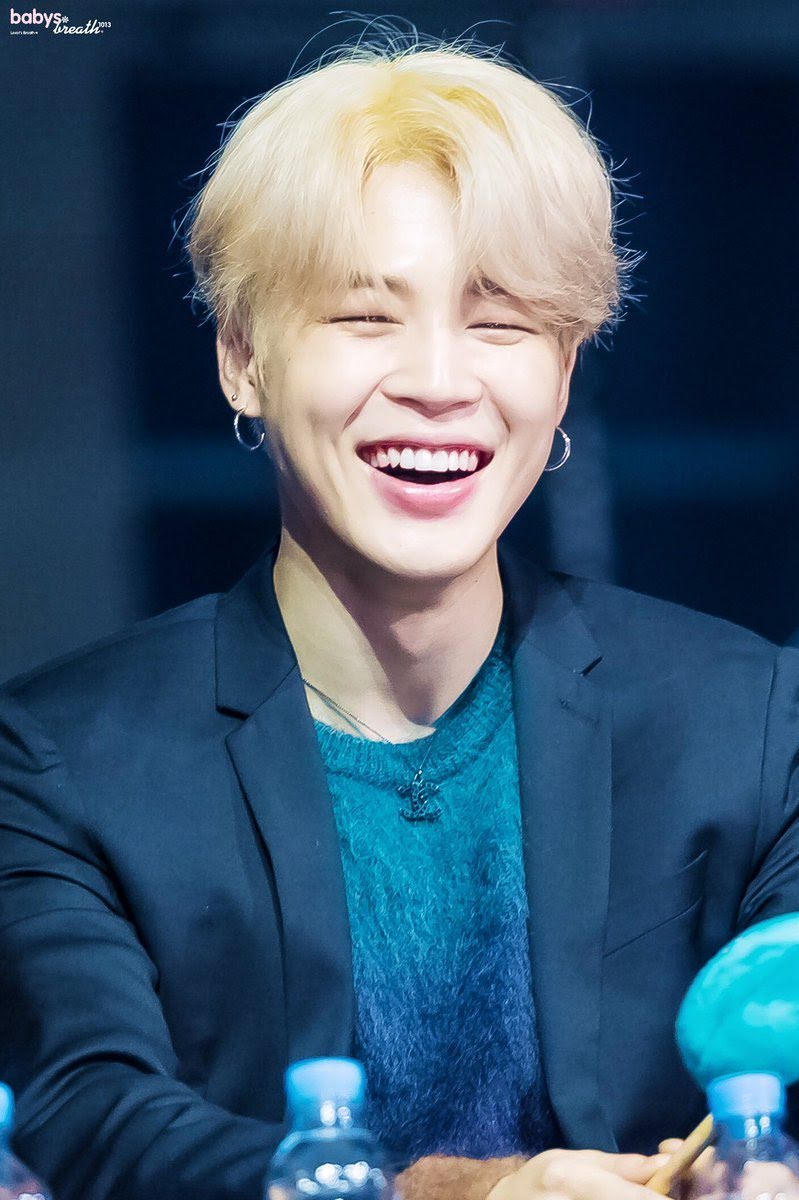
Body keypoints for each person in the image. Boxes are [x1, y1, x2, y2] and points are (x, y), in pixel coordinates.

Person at [1, 27, 799, 1200]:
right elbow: (97, 1118)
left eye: (501, 323)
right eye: (364, 318)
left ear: (564, 372)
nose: (437, 382)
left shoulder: (747, 722)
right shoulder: (63, 764)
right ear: (243, 359)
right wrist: (464, 1193)